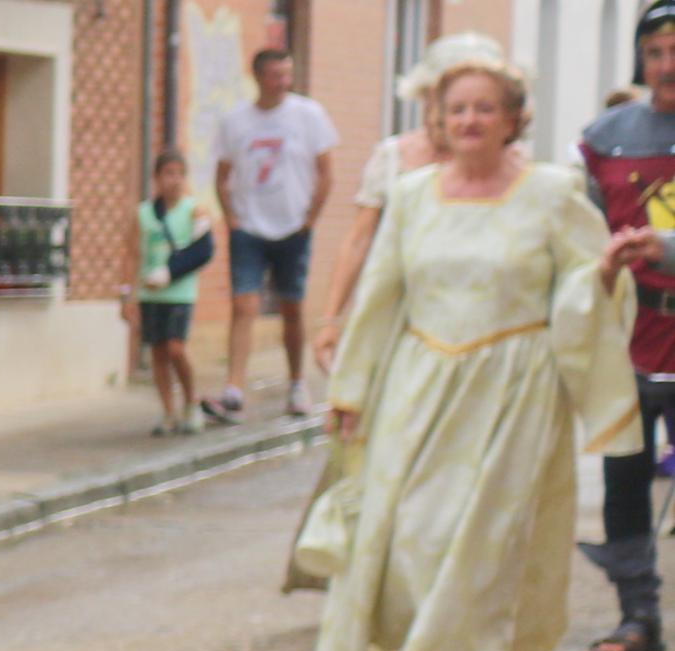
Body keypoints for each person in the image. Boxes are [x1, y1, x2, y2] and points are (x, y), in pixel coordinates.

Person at [295, 51, 637, 651]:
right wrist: (351, 388)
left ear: (512, 118)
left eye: (485, 107)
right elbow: (381, 295)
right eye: (457, 109)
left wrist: (598, 275)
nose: (469, 119)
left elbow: (576, 284)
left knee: (488, 538)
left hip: (515, 388)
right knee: (413, 533)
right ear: (438, 120)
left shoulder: (551, 191)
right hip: (420, 383)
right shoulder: (412, 194)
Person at [569, 0, 675, 651]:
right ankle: (637, 614)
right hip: (630, 342)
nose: (666, 64)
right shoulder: (604, 137)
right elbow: (579, 236)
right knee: (623, 484)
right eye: (654, 52)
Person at [319, 31, 512, 335]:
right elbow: (360, 238)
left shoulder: (512, 167)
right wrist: (330, 318)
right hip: (403, 314)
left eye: (481, 105)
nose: (465, 116)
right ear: (425, 96)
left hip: (483, 315)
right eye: (449, 100)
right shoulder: (393, 157)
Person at [212, 41, 341, 421]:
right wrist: (231, 218)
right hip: (250, 226)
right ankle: (234, 387)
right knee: (243, 304)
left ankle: (297, 382)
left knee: (291, 306)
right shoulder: (236, 121)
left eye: (288, 74)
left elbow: (327, 171)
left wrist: (311, 218)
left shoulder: (308, 114)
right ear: (258, 78)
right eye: (276, 75)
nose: (284, 82)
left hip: (293, 225)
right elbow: (222, 175)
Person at [136, 147, 209, 433]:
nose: (174, 180)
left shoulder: (194, 210)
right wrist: (127, 292)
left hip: (181, 292)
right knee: (157, 352)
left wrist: (169, 273)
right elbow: (131, 253)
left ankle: (191, 401)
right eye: (168, 174)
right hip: (150, 292)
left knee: (176, 348)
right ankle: (168, 411)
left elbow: (203, 248)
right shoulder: (144, 214)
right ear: (156, 178)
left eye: (180, 174)